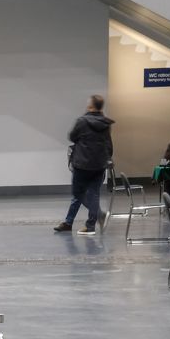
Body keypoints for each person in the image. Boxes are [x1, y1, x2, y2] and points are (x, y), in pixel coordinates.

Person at [55, 94, 113, 235]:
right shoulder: (106, 124)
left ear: (90, 106)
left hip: (82, 164)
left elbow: (72, 137)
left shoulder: (82, 121)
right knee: (94, 194)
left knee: (78, 194)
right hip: (99, 165)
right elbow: (109, 145)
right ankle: (89, 225)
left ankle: (75, 221)